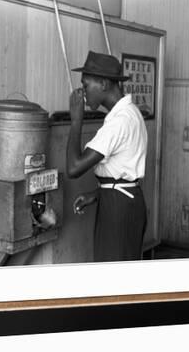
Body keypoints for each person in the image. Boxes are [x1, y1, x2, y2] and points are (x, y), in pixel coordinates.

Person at [66, 51, 148, 262]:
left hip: (119, 209)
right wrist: (98, 193)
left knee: (114, 276)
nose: (83, 93)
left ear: (103, 83)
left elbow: (74, 168)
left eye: (86, 85)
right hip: (122, 200)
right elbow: (122, 172)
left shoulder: (119, 121)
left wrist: (76, 120)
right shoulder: (130, 113)